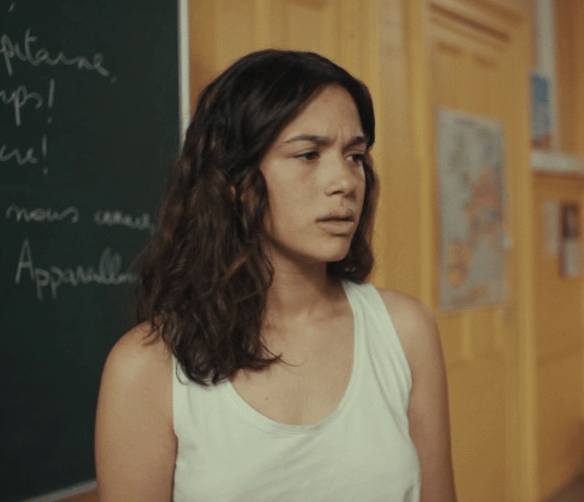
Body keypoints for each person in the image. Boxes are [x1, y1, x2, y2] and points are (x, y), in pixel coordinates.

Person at [94, 49, 457, 502]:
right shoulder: (147, 367)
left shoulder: (404, 331)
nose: (345, 182)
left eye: (355, 156)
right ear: (234, 178)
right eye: (308, 154)